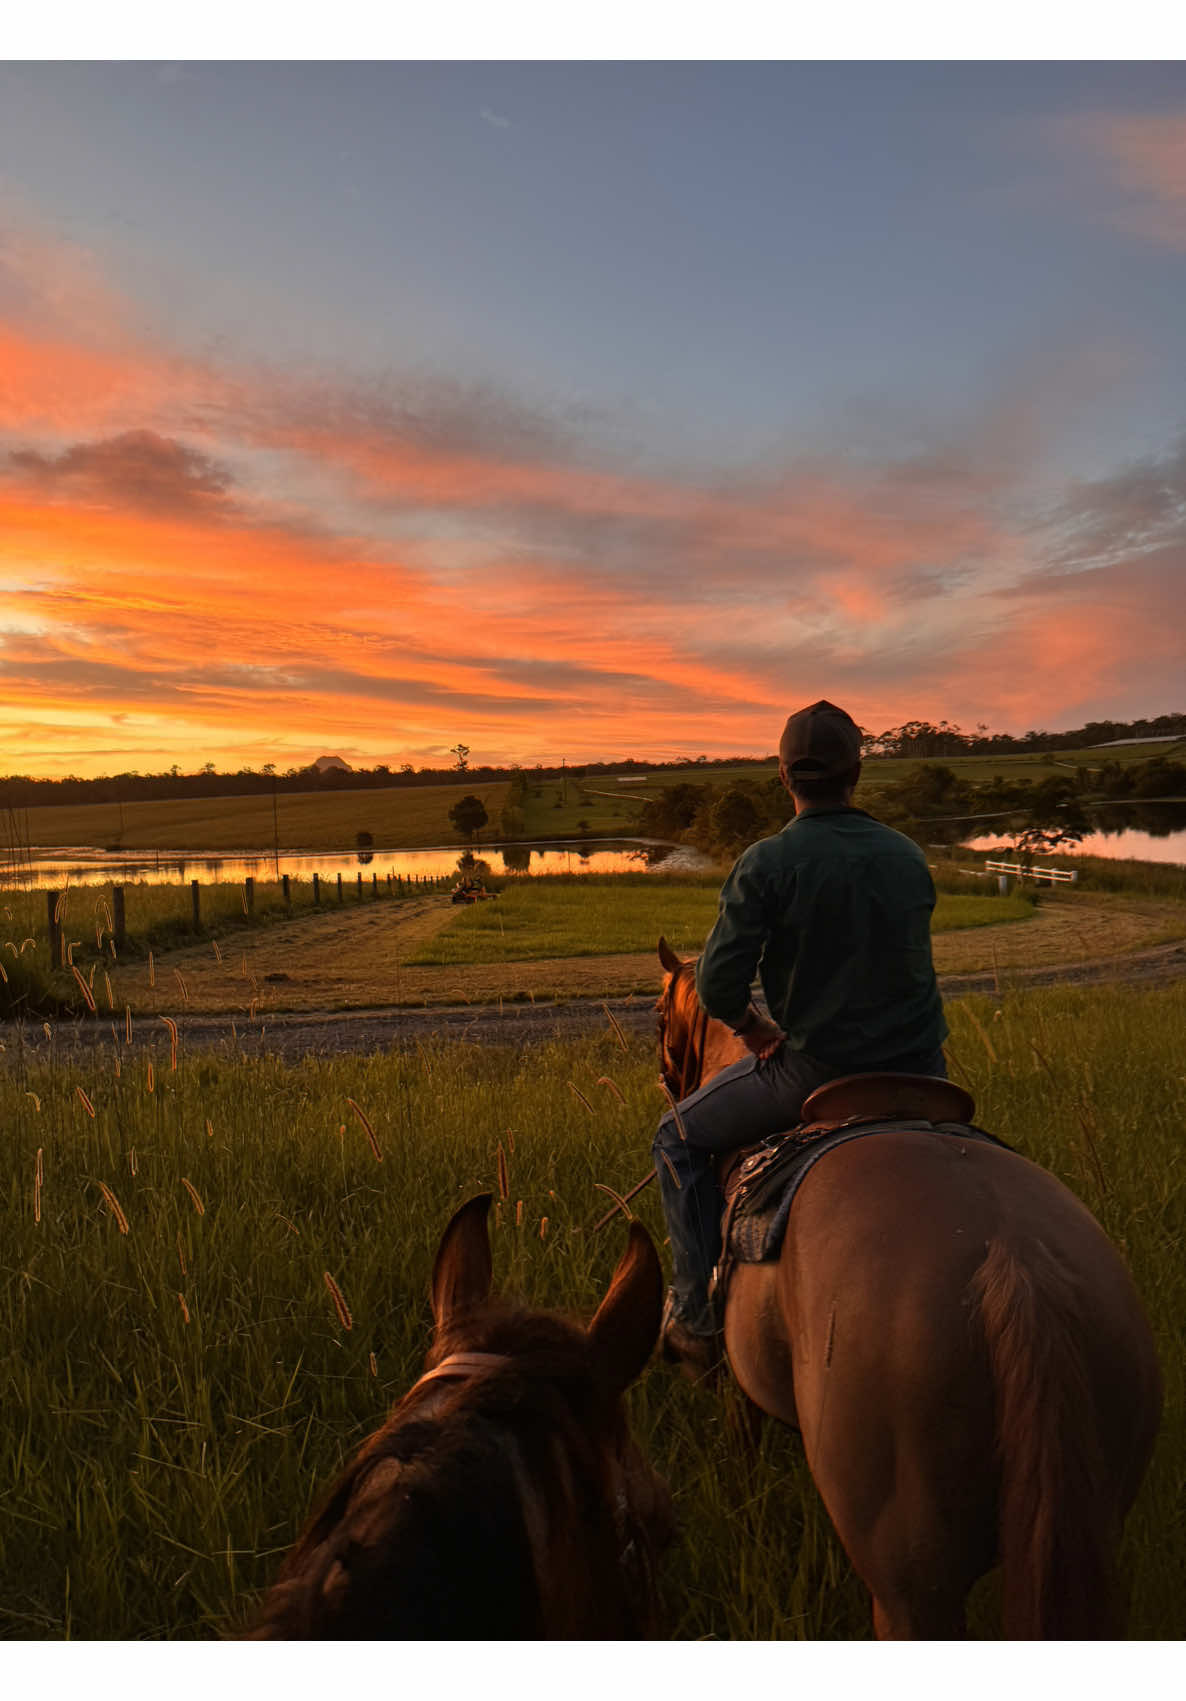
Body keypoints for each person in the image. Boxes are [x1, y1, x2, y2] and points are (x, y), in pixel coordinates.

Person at [653, 699, 949, 1372]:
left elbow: (720, 987)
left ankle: (698, 1315)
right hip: (927, 1071)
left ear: (784, 776)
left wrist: (757, 1030)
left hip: (818, 1071)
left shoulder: (768, 862)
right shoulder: (906, 856)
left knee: (675, 1138)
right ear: (857, 774)